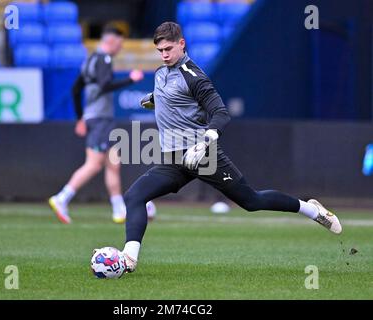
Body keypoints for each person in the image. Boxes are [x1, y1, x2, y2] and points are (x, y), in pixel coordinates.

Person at [116, 22, 342, 273]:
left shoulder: (196, 77)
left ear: (182, 44)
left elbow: (220, 113)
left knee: (251, 201)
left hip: (203, 155)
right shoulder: (161, 73)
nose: (164, 54)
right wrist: (153, 100)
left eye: (168, 49)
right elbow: (169, 95)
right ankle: (129, 259)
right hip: (174, 160)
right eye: (160, 50)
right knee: (134, 196)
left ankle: (312, 209)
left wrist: (204, 144)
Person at [49, 25, 153, 224]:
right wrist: (130, 79)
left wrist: (80, 117)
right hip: (100, 120)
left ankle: (118, 209)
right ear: (111, 41)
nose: (120, 48)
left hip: (95, 118)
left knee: (114, 163)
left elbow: (75, 89)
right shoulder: (104, 59)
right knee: (94, 164)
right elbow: (105, 85)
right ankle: (62, 198)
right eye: (120, 44)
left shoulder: (89, 60)